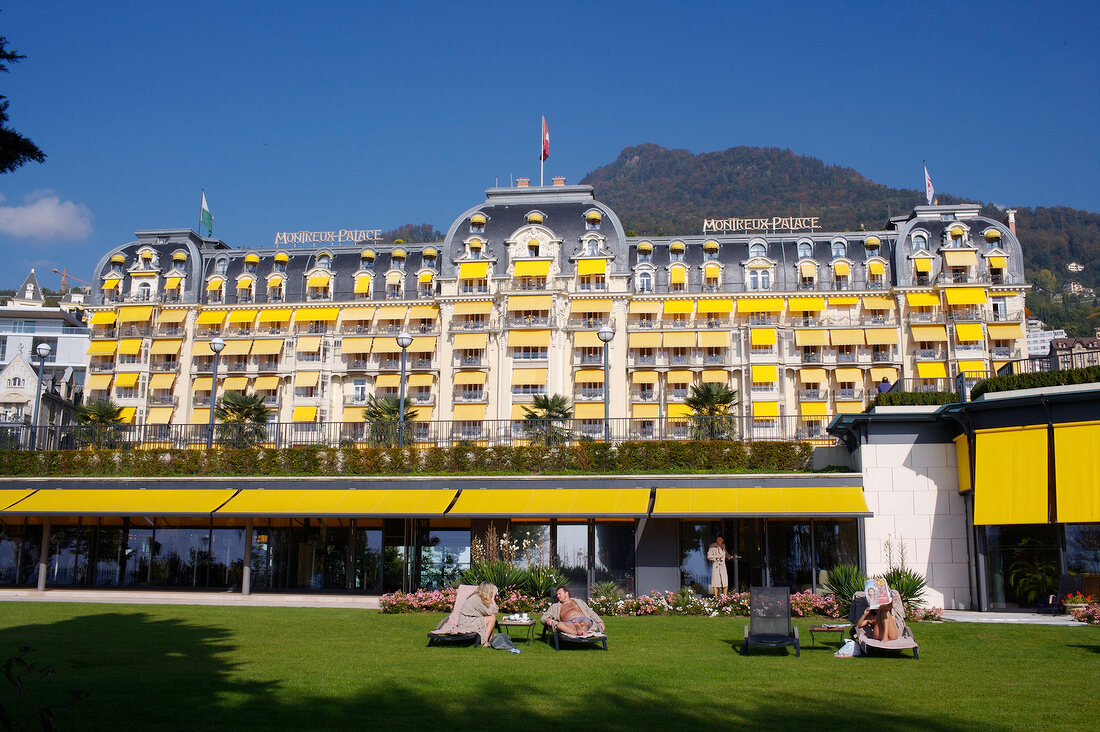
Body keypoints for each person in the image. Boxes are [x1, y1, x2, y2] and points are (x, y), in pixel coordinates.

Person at [541, 586, 605, 636]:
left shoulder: (579, 602)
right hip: (569, 623)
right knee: (559, 625)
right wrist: (548, 619)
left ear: (566, 593)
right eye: (557, 594)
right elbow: (543, 617)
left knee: (584, 623)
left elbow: (591, 613)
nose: (557, 596)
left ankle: (580, 630)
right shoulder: (555, 607)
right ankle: (579, 632)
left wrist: (600, 621)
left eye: (559, 594)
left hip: (583, 619)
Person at [458, 581, 499, 647]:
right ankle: (485, 642)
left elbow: (493, 611)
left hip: (469, 620)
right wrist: (492, 599)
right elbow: (492, 611)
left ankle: (490, 639)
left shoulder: (478, 597)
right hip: (466, 623)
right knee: (492, 618)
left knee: (491, 616)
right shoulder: (477, 599)